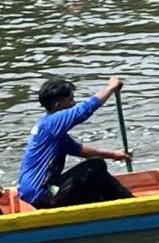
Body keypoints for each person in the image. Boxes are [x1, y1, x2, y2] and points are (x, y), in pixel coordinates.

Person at [17, 77, 133, 209]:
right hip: (45, 194)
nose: (74, 102)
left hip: (38, 193)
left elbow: (80, 150)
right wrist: (110, 88)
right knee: (95, 166)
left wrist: (115, 155)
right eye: (71, 99)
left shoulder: (51, 130)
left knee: (100, 175)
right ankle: (93, 209)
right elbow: (84, 110)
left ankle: (129, 202)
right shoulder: (52, 122)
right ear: (58, 106)